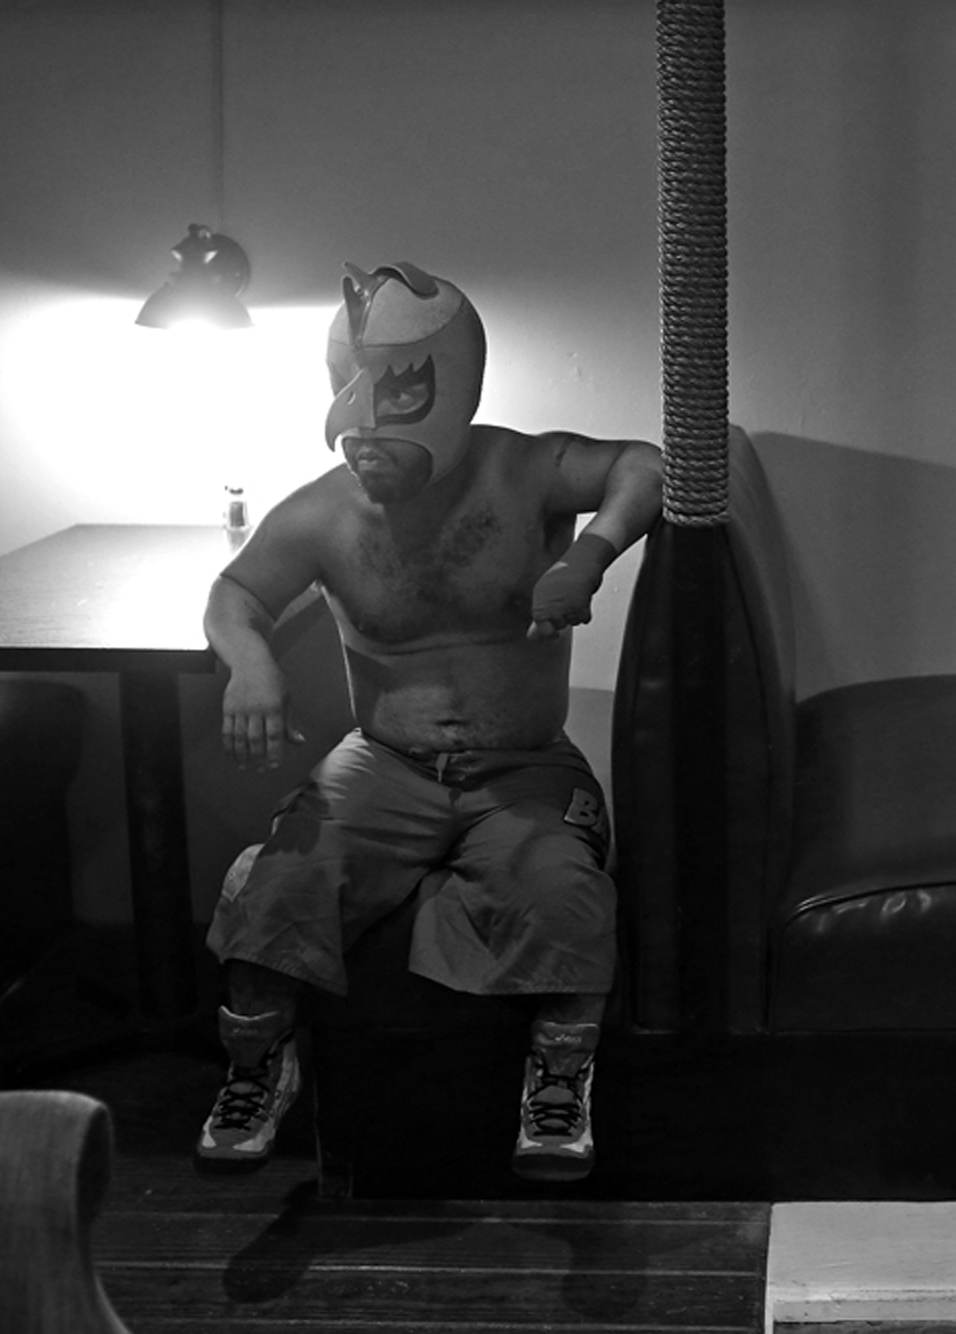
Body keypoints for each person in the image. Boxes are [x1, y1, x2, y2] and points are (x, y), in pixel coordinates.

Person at [196, 260, 661, 1181]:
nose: (365, 455)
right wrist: (248, 661)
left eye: (391, 435)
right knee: (274, 882)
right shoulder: (323, 512)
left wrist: (590, 557)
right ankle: (258, 1064)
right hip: (383, 761)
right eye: (352, 430)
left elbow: (645, 464)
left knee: (566, 895)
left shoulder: (525, 469)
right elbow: (236, 592)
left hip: (524, 765)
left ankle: (559, 1082)